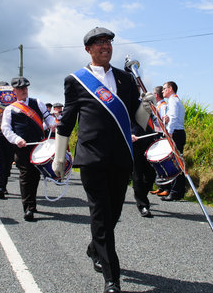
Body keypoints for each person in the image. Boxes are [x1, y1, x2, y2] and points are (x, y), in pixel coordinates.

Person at [53, 27, 154, 293]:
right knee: (100, 213)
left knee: (114, 213)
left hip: (121, 156)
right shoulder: (76, 80)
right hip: (92, 158)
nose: (105, 46)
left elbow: (137, 121)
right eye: (98, 43)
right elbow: (66, 122)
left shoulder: (125, 79)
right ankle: (112, 279)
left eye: (108, 42)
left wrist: (146, 106)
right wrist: (59, 157)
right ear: (88, 49)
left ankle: (93, 247)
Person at [1, 76, 56, 221]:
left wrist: (52, 123)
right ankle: (28, 208)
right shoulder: (10, 109)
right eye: (20, 88)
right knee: (26, 176)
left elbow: (48, 117)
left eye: (25, 88)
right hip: (22, 147)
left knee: (35, 175)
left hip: (39, 146)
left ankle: (32, 203)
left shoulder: (37, 102)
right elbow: (6, 129)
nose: (24, 90)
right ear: (14, 91)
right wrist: (17, 139)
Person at [160, 81, 186, 201]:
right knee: (176, 161)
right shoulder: (174, 100)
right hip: (177, 133)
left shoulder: (172, 100)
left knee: (176, 163)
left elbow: (174, 118)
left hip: (175, 133)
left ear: (170, 88)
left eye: (164, 88)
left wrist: (169, 133)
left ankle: (176, 192)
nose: (162, 91)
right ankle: (175, 191)